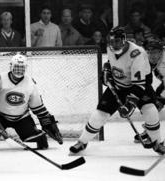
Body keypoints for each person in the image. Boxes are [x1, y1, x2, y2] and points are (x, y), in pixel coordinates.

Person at [69, 26, 165, 155]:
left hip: (139, 86)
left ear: (124, 40)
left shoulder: (137, 53)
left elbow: (139, 85)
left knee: (151, 111)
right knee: (99, 115)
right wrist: (107, 70)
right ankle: (82, 142)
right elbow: (111, 62)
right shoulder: (110, 48)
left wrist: (130, 105)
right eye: (112, 41)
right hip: (118, 86)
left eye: (117, 41)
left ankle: (157, 143)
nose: (114, 44)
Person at [134, 40, 165, 144]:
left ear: (161, 52)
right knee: (154, 105)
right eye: (150, 52)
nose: (152, 55)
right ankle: (150, 130)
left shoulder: (163, 63)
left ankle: (150, 131)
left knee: (156, 104)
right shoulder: (146, 58)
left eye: (155, 52)